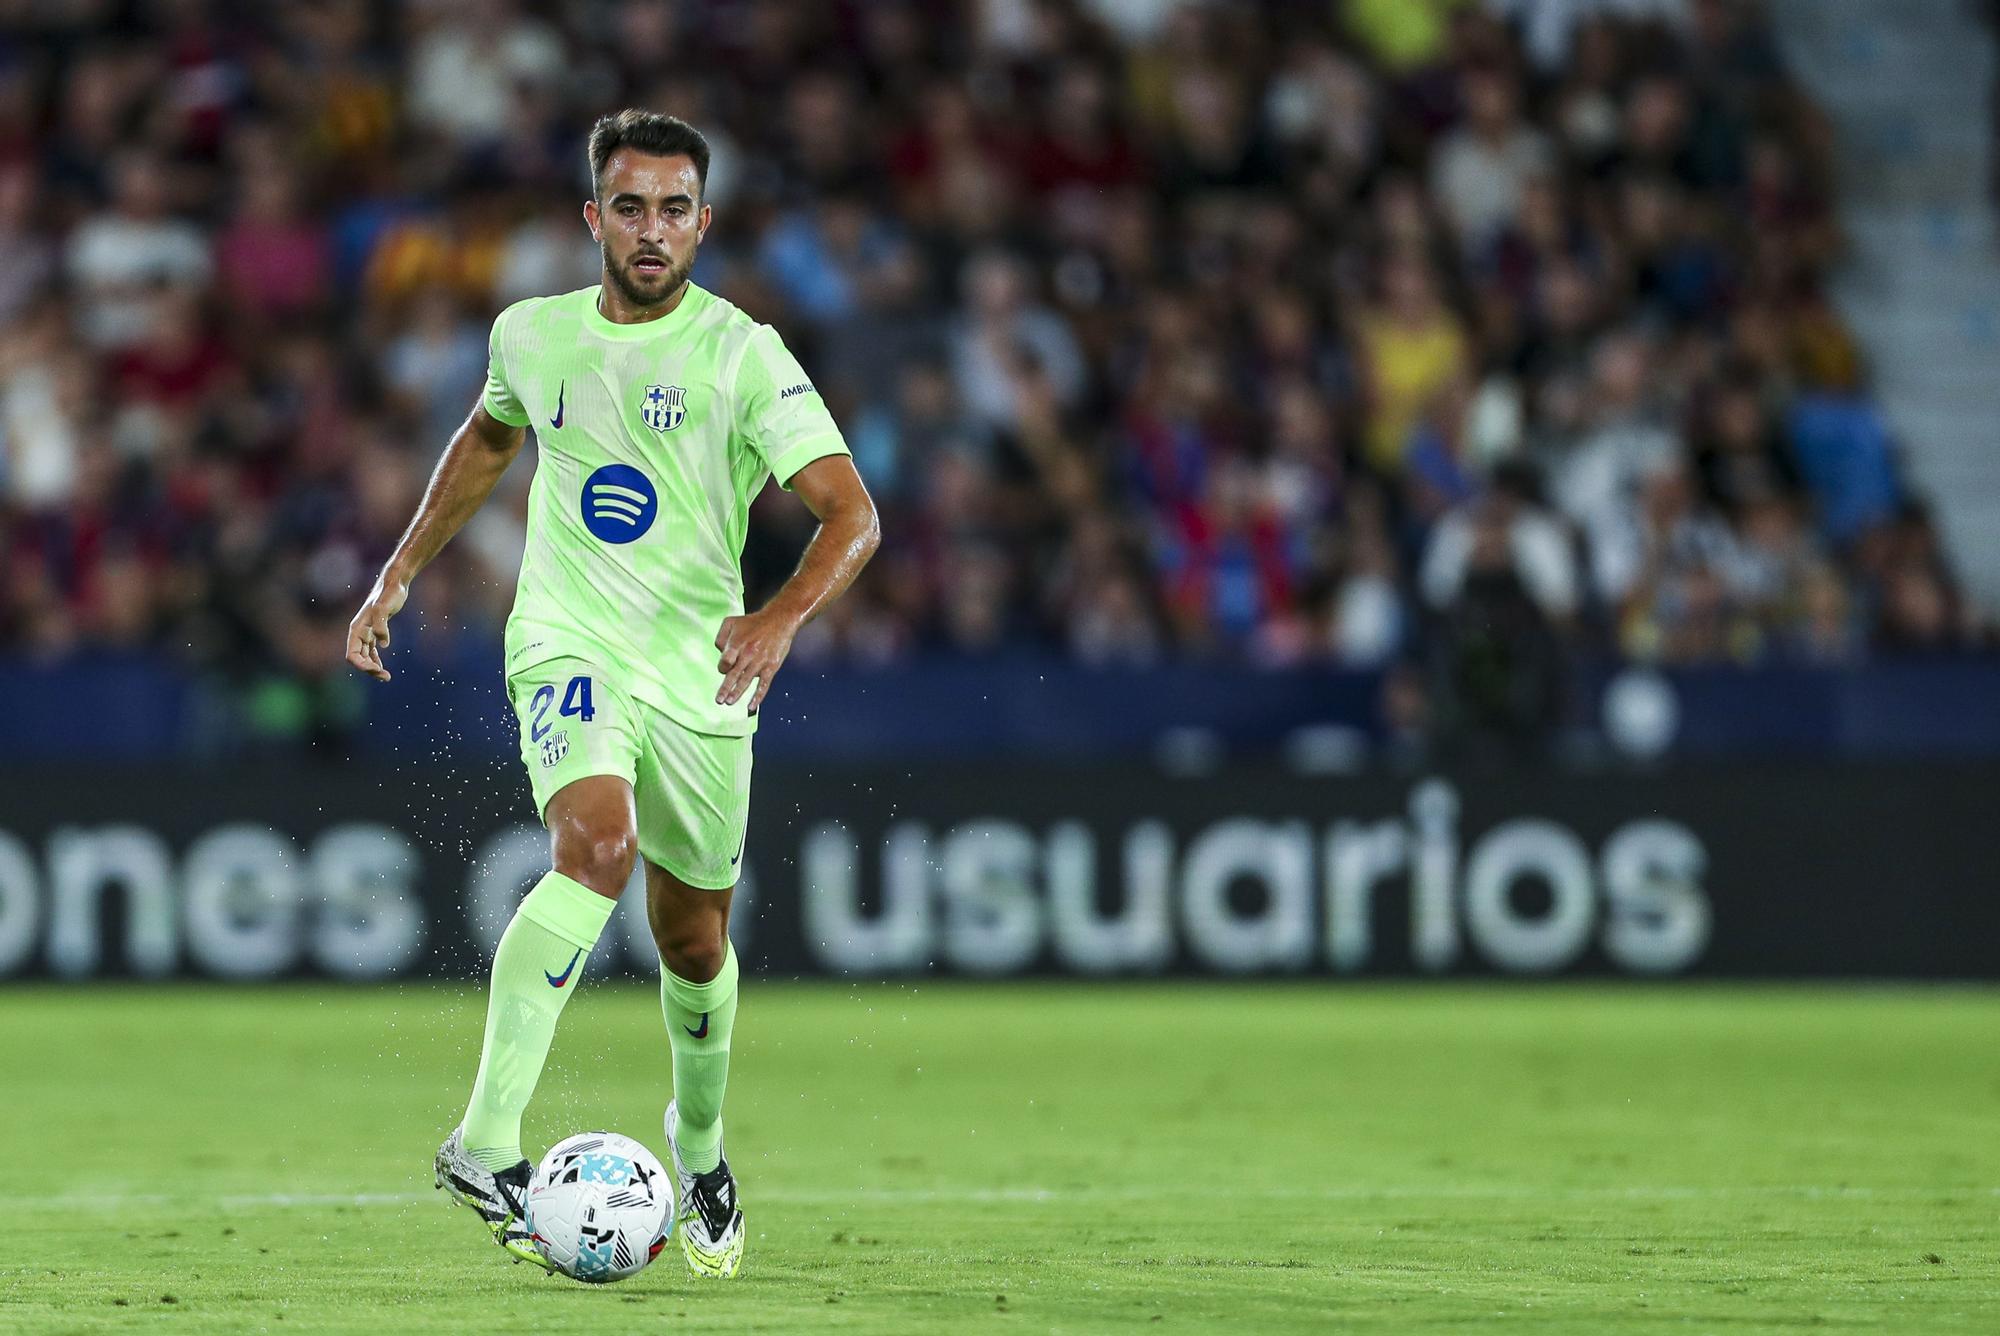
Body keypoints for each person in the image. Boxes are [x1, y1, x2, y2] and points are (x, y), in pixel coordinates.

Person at [342, 110, 880, 1280]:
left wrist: (778, 616)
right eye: (629, 207)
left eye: (673, 209)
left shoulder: (743, 354)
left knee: (694, 941)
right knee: (594, 847)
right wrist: (397, 573)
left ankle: (702, 1150)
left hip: (703, 671)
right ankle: (485, 1142)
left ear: (703, 223)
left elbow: (852, 513)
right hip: (567, 639)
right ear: (593, 218)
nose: (651, 230)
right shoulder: (530, 335)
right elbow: (487, 441)